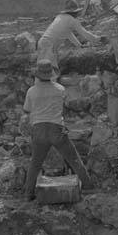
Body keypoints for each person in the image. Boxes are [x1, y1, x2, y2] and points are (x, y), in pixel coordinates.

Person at [20, 59, 94, 201]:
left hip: (39, 129)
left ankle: (28, 194)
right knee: (74, 159)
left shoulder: (31, 91)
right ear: (51, 74)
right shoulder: (60, 89)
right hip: (56, 128)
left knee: (35, 164)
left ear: (37, 75)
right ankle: (89, 186)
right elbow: (65, 106)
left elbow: (27, 110)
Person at [37, 0, 102, 76]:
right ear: (73, 12)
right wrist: (98, 39)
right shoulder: (72, 20)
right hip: (49, 45)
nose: (77, 14)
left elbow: (68, 34)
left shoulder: (60, 17)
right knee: (50, 73)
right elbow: (84, 33)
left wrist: (79, 45)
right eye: (76, 12)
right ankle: (53, 87)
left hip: (42, 43)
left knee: (42, 71)